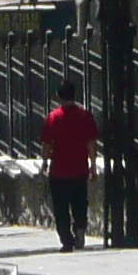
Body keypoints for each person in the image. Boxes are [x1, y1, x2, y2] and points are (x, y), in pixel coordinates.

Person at [40, 79, 99, 251]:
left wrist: (44, 162)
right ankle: (80, 230)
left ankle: (66, 239)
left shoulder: (53, 118)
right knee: (80, 203)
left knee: (61, 207)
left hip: (59, 171)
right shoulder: (85, 116)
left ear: (58, 96)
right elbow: (91, 143)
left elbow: (47, 145)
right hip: (79, 169)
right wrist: (93, 165)